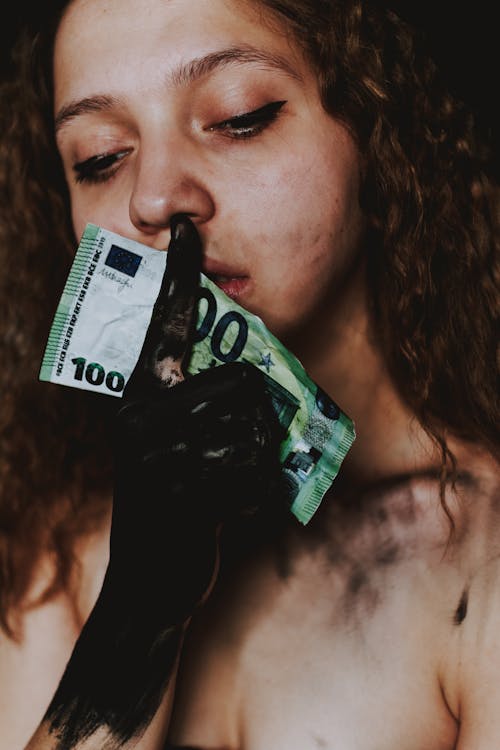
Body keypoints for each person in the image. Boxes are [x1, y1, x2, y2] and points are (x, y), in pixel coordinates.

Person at [0, 0, 498, 748]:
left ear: (374, 127)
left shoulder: (482, 561)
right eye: (101, 157)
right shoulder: (58, 560)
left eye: (240, 117)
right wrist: (136, 618)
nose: (156, 198)